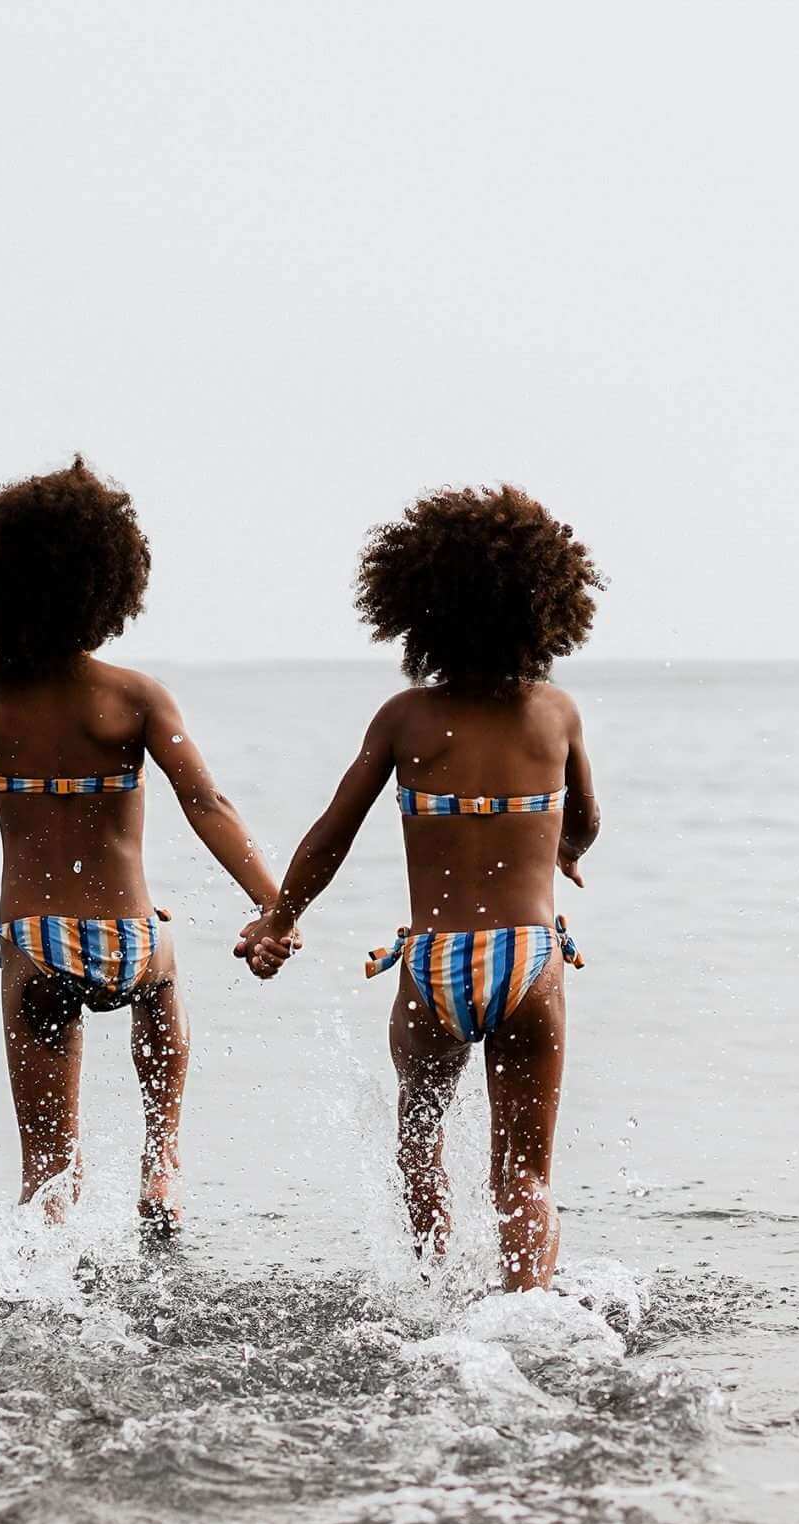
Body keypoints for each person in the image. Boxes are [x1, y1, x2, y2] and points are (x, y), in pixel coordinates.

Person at [0, 458, 287, 1241]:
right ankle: (162, 1156)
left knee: (46, 1171)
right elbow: (207, 804)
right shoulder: (136, 696)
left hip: (36, 947)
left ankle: (43, 1266)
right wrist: (272, 902)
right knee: (163, 968)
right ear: (110, 585)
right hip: (129, 940)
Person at [237, 485, 601, 1290]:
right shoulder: (556, 715)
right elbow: (587, 821)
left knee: (420, 1146)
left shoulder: (405, 718)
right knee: (527, 1175)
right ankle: (526, 1309)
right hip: (529, 959)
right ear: (545, 607)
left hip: (433, 962)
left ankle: (435, 1300)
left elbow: (331, 835)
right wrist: (562, 850)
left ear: (419, 610)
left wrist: (277, 918)